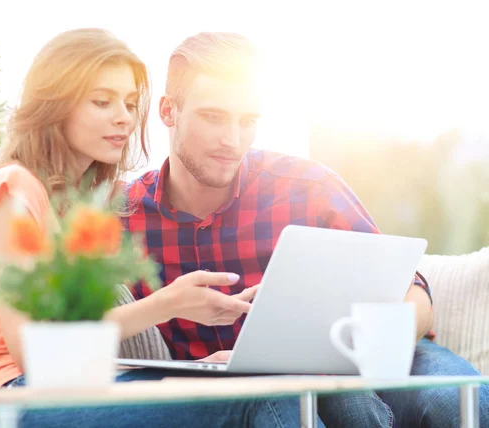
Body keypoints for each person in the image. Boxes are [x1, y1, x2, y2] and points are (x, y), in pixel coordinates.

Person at [0, 28, 321, 428]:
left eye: (129, 102)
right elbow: (33, 351)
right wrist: (168, 304)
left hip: (74, 388)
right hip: (6, 401)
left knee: (256, 382)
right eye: (102, 101)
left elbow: (76, 344)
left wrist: (186, 374)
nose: (124, 117)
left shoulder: (79, 209)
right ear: (54, 104)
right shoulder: (13, 189)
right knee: (260, 399)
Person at [124, 31, 489, 428]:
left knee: (456, 401)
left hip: (371, 363)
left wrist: (377, 343)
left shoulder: (305, 187)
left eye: (247, 121)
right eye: (213, 117)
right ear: (168, 111)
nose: (232, 140)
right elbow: (77, 327)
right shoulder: (126, 219)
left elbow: (413, 290)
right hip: (242, 392)